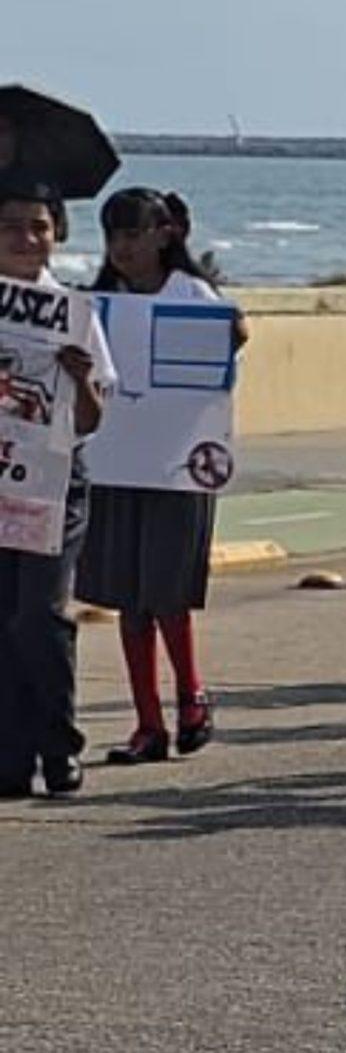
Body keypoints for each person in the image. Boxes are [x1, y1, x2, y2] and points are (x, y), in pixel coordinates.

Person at [81, 189, 246, 765]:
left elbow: (220, 366)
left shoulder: (193, 295)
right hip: (118, 464)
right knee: (130, 596)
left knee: (167, 590)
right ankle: (147, 722)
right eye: (113, 236)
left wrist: (233, 336)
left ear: (165, 234)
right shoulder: (99, 304)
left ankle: (191, 696)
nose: (122, 247)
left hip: (176, 464)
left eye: (133, 234)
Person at [0, 178, 113, 798]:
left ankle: (59, 744)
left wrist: (81, 378)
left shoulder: (72, 314)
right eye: (12, 226)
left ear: (57, 234)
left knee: (40, 616)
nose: (26, 239)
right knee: (4, 620)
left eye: (38, 227)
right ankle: (11, 754)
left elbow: (93, 420)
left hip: (53, 482)